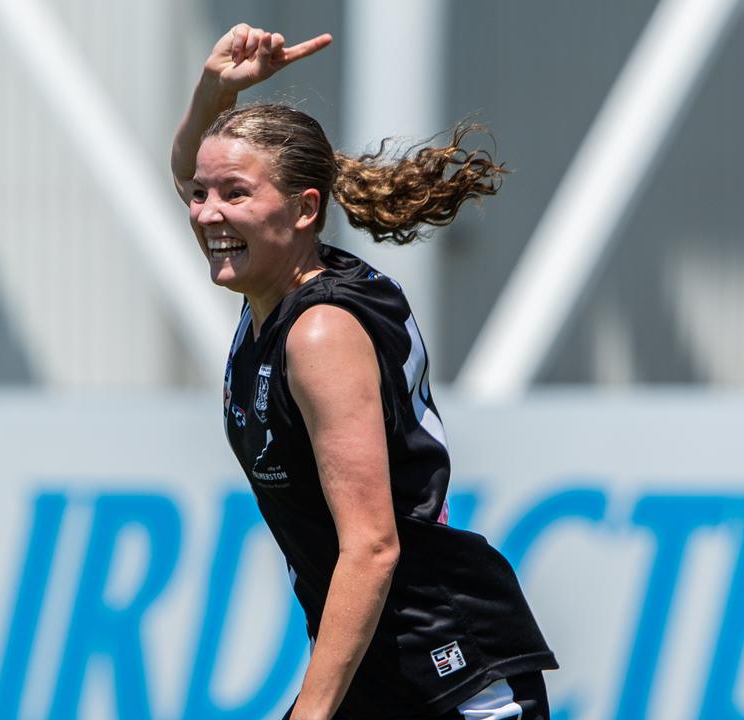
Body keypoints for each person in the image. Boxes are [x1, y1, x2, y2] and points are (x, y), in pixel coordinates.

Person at [171, 24, 558, 720]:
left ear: (305, 209)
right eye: (201, 195)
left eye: (233, 193)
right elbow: (196, 180)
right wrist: (214, 92)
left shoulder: (319, 332)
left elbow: (374, 547)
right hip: (380, 673)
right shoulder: (275, 282)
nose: (206, 214)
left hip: (449, 679)